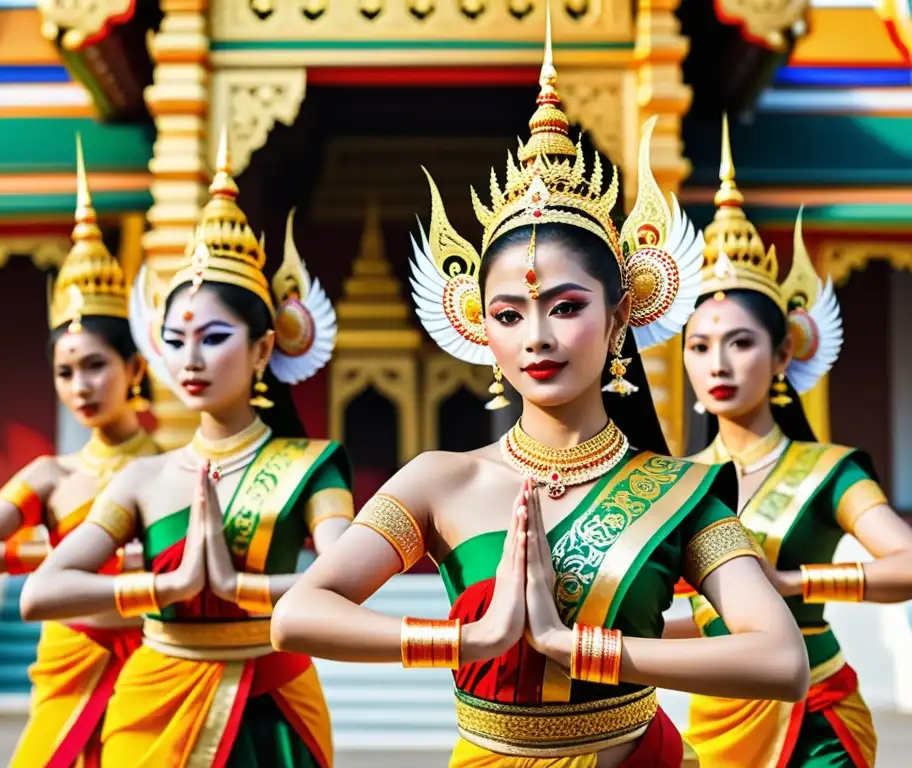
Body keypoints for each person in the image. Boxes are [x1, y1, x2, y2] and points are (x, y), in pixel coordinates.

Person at [269, 11, 810, 767]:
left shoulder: (680, 491)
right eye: (509, 313)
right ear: (480, 328)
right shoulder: (440, 481)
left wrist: (578, 647)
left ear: (620, 315)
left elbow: (781, 662)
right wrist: (468, 641)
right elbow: (298, 615)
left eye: (565, 307)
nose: (538, 338)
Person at [19, 128, 354, 768]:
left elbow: (339, 585)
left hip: (272, 703)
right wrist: (164, 585)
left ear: (263, 348)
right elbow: (43, 592)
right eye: (173, 341)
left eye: (214, 337)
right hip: (154, 703)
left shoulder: (310, 466)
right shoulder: (144, 477)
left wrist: (238, 585)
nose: (189, 359)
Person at [676, 116, 912, 768]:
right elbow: (688, 621)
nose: (718, 363)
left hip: (813, 716)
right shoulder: (675, 481)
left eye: (740, 342)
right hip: (716, 715)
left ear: (782, 354)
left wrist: (794, 581)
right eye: (700, 346)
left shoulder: (828, 470)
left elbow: (907, 563)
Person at [0, 137, 159, 768]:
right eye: (65, 371)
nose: (80, 386)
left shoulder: (171, 470)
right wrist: (51, 551)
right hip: (70, 663)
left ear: (134, 367)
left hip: (158, 670)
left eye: (95, 366)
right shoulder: (52, 477)